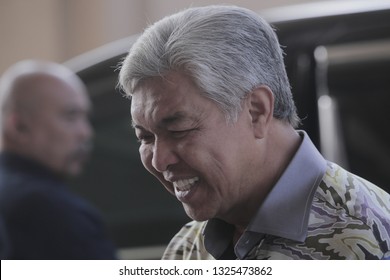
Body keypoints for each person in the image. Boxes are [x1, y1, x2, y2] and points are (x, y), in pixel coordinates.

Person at [118, 5, 390, 260]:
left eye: (178, 130)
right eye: (145, 137)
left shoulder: (362, 243)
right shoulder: (189, 247)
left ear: (257, 111)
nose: (158, 160)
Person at [0, 60, 117, 259]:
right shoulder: (51, 211)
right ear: (19, 126)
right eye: (71, 116)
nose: (86, 133)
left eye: (85, 118)